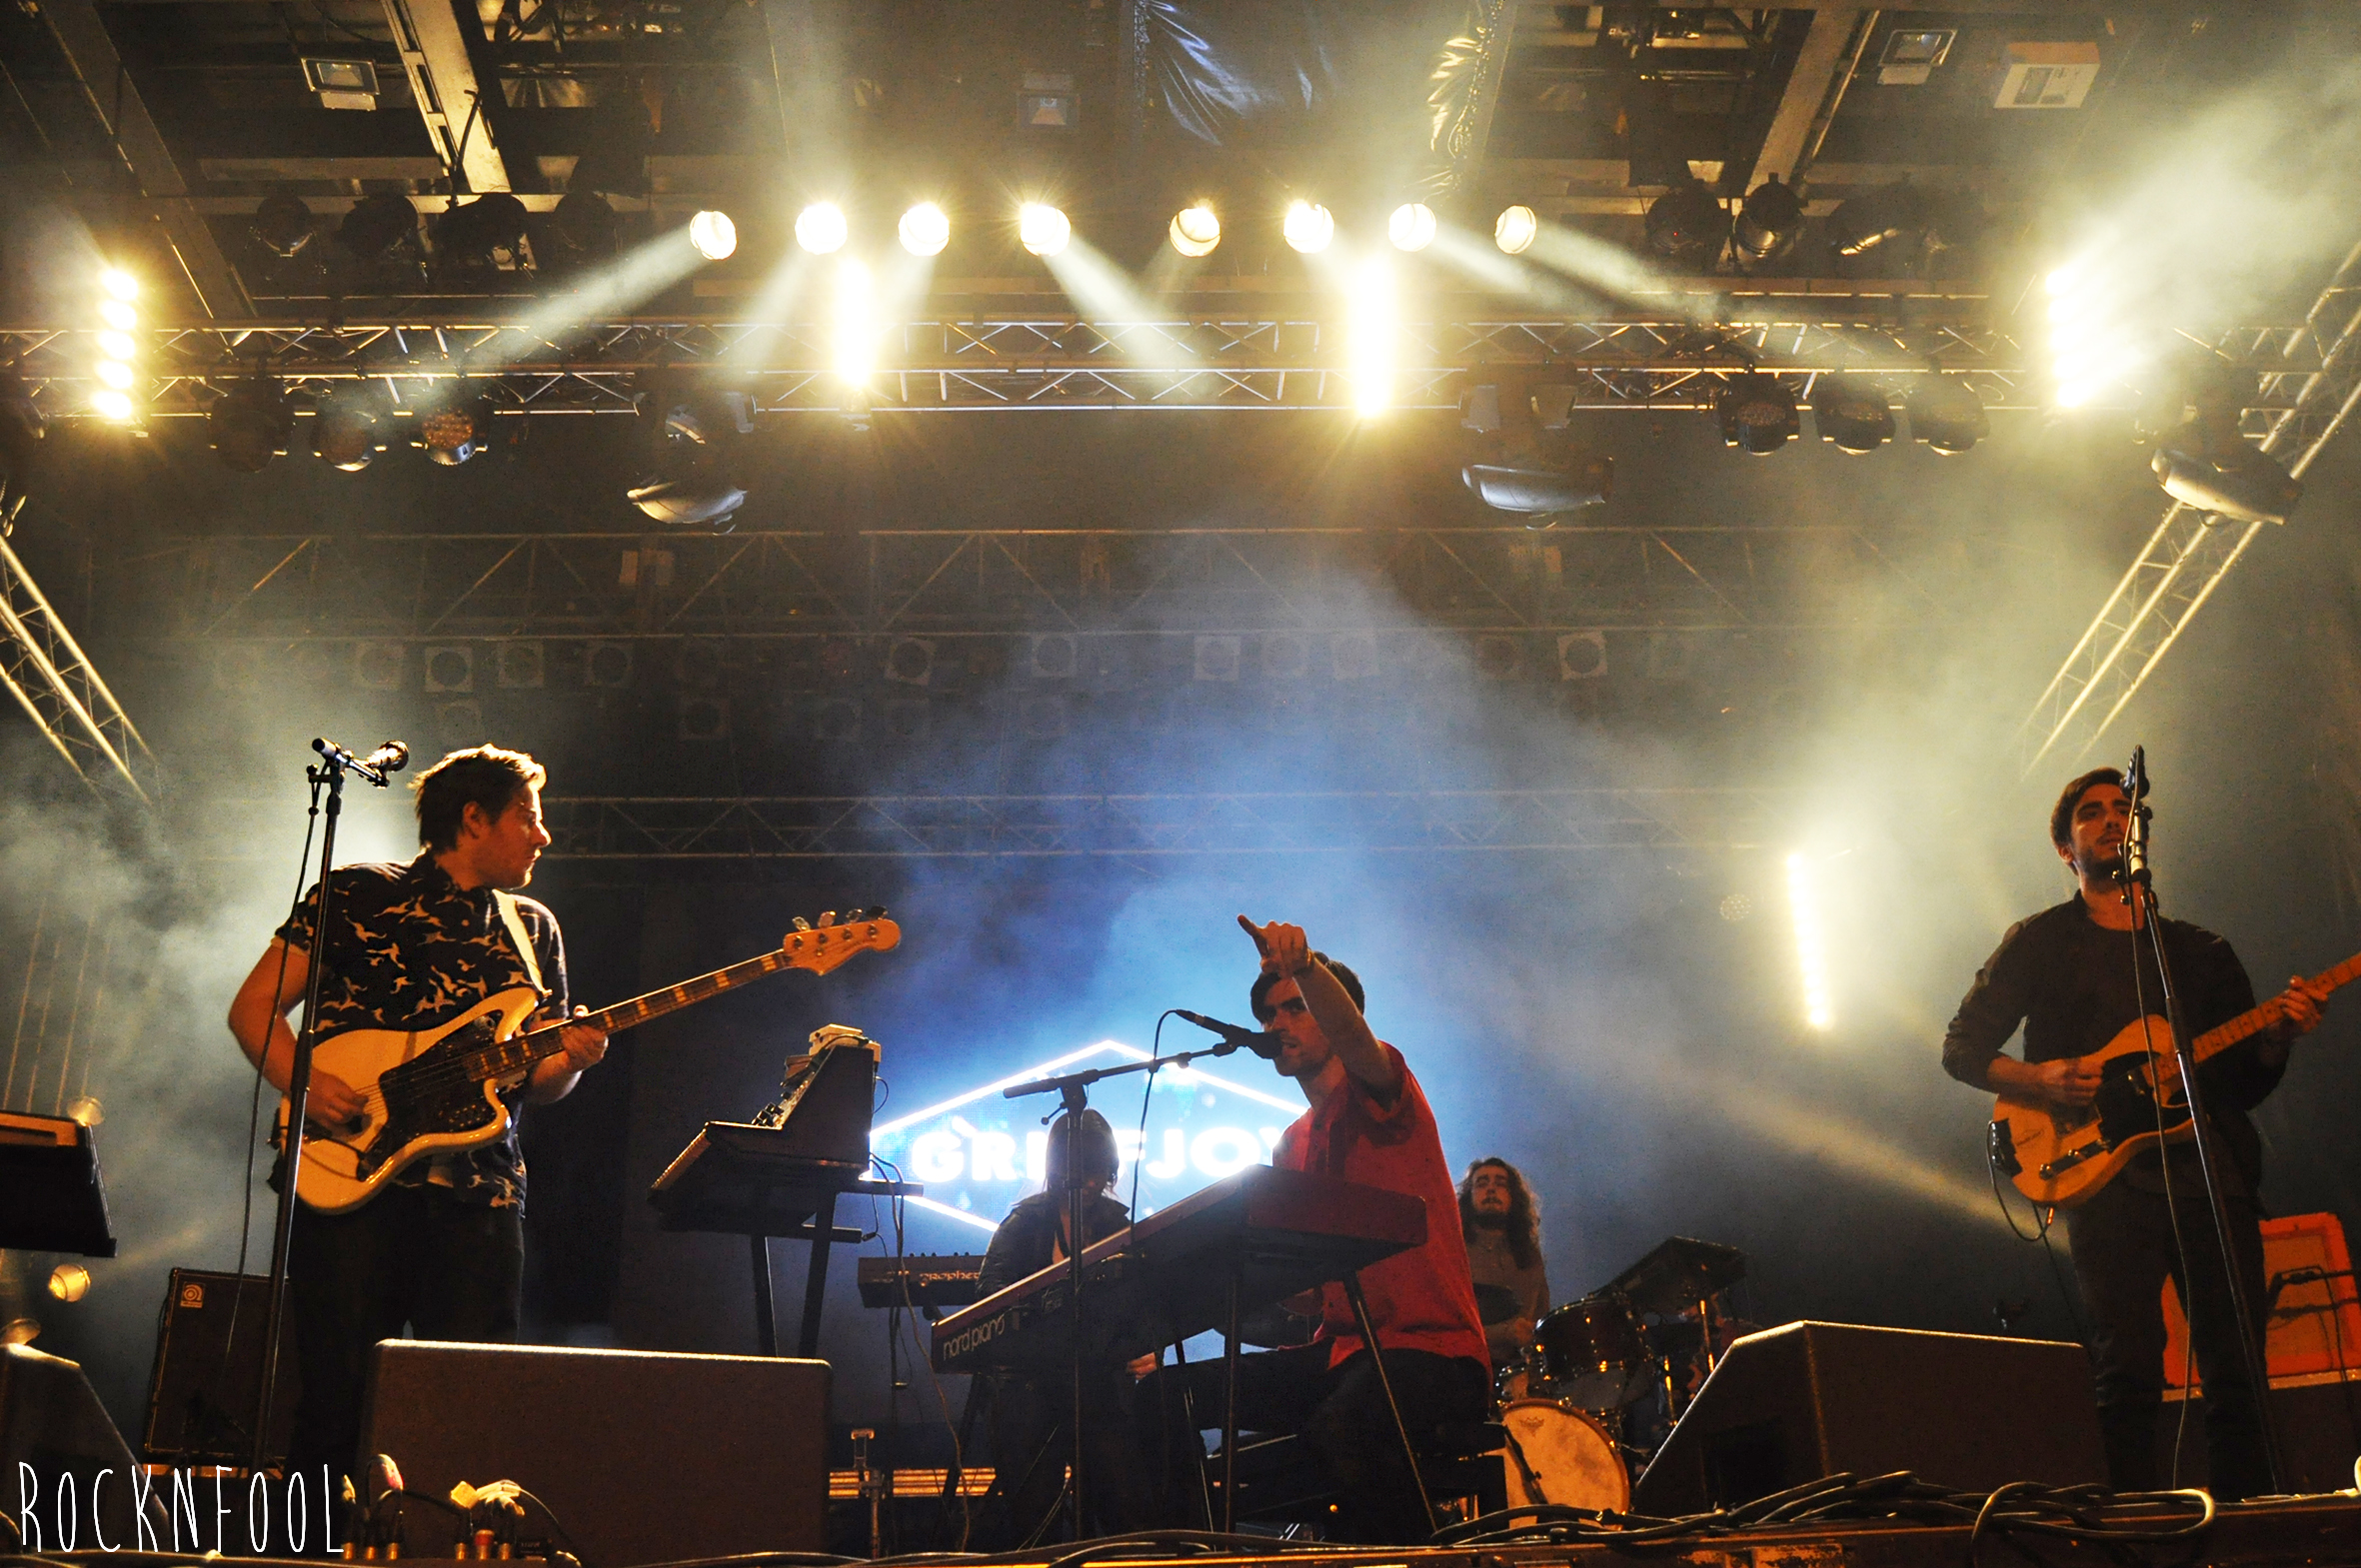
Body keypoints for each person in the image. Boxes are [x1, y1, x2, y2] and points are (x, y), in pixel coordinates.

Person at [226, 746, 608, 1496]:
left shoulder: (533, 928)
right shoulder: (357, 892)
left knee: (467, 1411)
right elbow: (254, 1008)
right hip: (348, 1180)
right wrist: (307, 1081)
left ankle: (445, 1548)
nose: (543, 836)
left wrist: (574, 1059)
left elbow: (540, 1084)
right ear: (474, 818)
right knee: (334, 1407)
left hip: (479, 1197)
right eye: (528, 816)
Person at [1941, 768, 2327, 1500]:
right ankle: (2135, 1526)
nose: (2111, 819)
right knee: (2130, 1363)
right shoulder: (2041, 941)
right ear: (2066, 849)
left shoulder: (2200, 951)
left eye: (2124, 808)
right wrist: (2041, 1079)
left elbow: (2241, 1083)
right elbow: (1960, 1048)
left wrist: (2277, 1037)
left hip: (2208, 1169)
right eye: (2090, 813)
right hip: (2102, 1174)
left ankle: (2249, 1522)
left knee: (2238, 1365)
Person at [1139, 915, 1488, 1543]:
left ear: (1336, 1011)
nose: (1277, 1024)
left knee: (1344, 1425)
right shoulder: (1290, 1144)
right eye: (1270, 1013)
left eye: (1296, 1007)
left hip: (1432, 1352)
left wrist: (1304, 967)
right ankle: (1191, 1553)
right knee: (1161, 1397)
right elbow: (1306, 1292)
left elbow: (1359, 1042)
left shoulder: (1384, 1088)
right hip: (1341, 1354)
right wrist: (1215, 1288)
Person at [973, 1108, 1152, 1546]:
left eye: (1098, 1172)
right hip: (1028, 1385)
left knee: (1127, 1502)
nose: (1089, 1183)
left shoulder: (1118, 1226)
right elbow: (988, 1301)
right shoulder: (1023, 1225)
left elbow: (1146, 1305)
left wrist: (1149, 1348)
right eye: (1080, 1172)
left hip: (1097, 1384)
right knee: (1034, 1508)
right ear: (1057, 1171)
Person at [1458, 1159, 1549, 1375]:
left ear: (1513, 1196)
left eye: (1500, 1183)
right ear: (1469, 1196)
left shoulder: (1530, 1256)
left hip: (1517, 1375)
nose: (1491, 1189)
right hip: (1464, 1368)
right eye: (1481, 1183)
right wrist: (1504, 1333)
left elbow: (1540, 1319)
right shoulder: (1455, 1250)